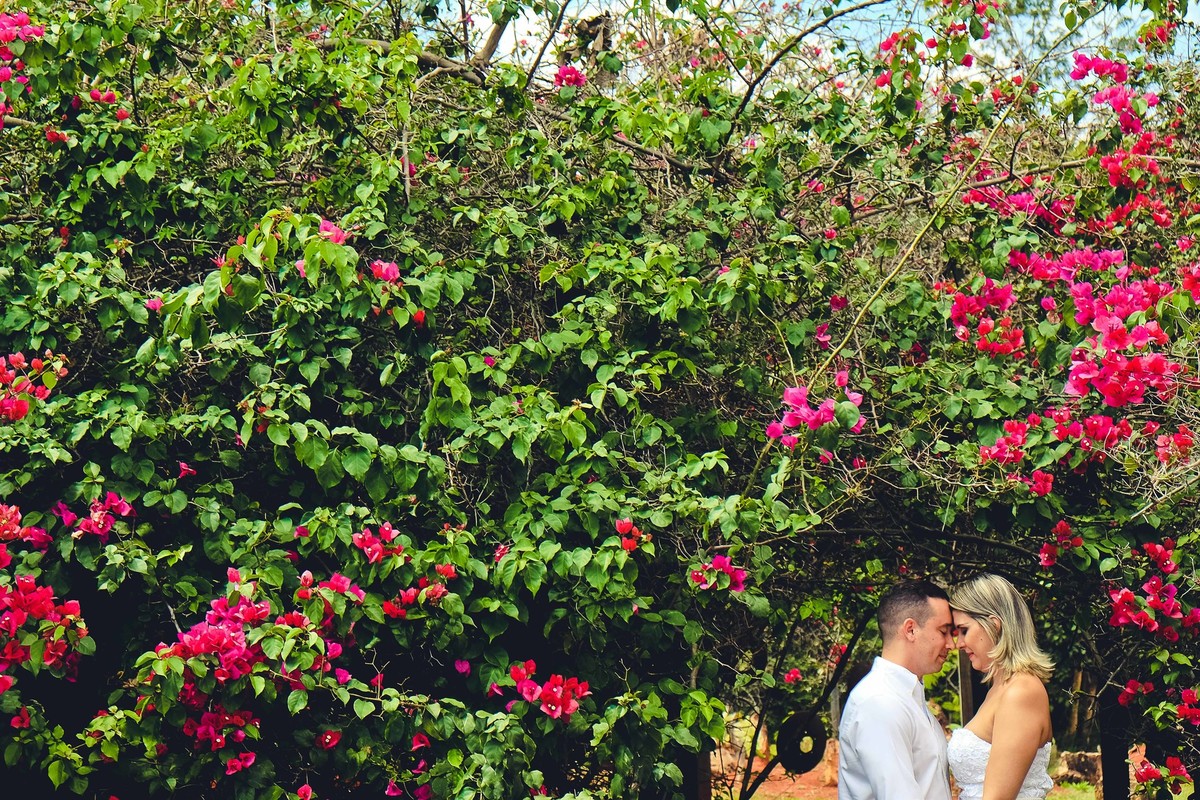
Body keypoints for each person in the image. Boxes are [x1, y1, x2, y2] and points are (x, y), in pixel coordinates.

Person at [838, 580, 956, 800]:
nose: (951, 644)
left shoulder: (905, 696)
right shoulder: (879, 701)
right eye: (943, 631)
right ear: (910, 630)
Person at [947, 574, 1055, 800]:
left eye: (964, 630)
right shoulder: (1001, 688)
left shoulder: (1021, 691)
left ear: (994, 625)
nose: (959, 644)